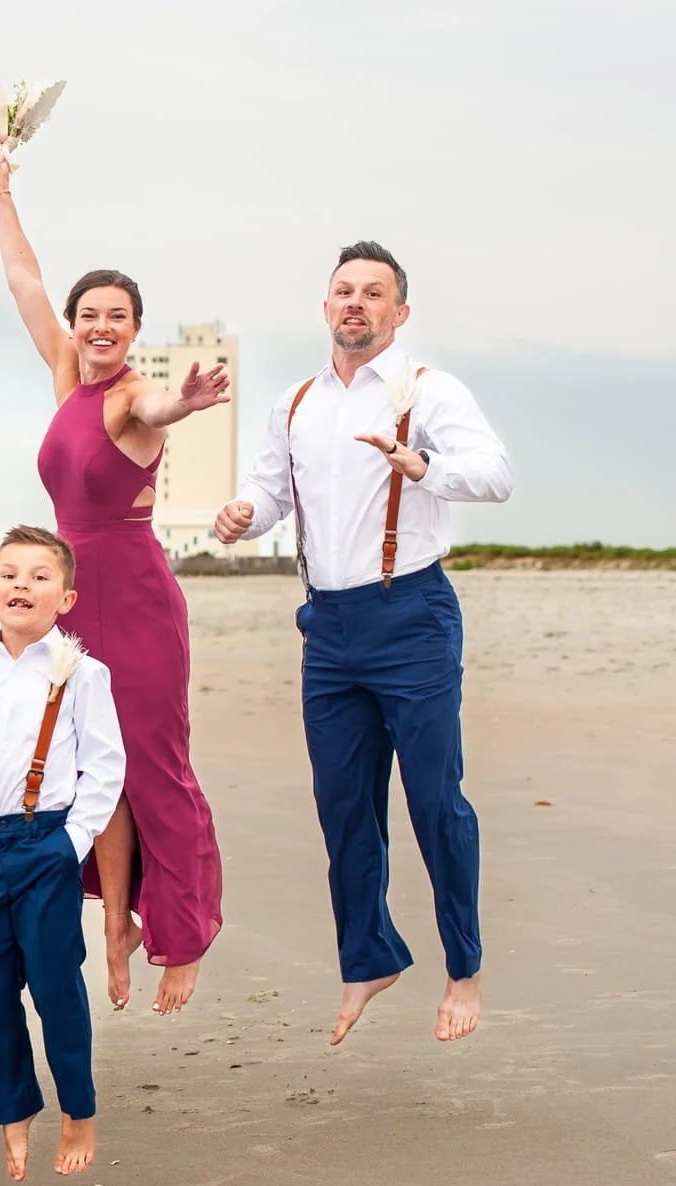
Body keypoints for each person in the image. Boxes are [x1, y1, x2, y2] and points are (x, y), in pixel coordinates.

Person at [216, 241, 510, 1046]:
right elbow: (271, 490)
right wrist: (244, 512)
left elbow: (496, 471)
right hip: (329, 625)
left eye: (372, 293)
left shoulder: (430, 391)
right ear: (325, 306)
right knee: (343, 804)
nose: (355, 303)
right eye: (343, 290)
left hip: (410, 614)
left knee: (433, 800)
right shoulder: (297, 402)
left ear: (398, 313)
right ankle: (368, 957)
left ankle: (463, 966)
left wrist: (425, 466)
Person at [0, 154, 229, 1016]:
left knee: (155, 764)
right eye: (90, 315)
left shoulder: (129, 396)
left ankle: (182, 934)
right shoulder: (63, 374)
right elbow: (22, 280)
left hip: (136, 597)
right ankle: (117, 922)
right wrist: (3, 193)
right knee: (92, 771)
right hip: (69, 600)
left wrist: (184, 403)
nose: (98, 326)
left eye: (117, 316)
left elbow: (153, 411)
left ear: (135, 329)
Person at [0, 526, 125, 1181]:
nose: (21, 585)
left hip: (47, 843)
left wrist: (70, 842)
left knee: (55, 983)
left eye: (39, 576)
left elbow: (104, 767)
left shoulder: (82, 673)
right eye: (9, 573)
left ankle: (78, 1109)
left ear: (65, 598)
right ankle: (13, 1109)